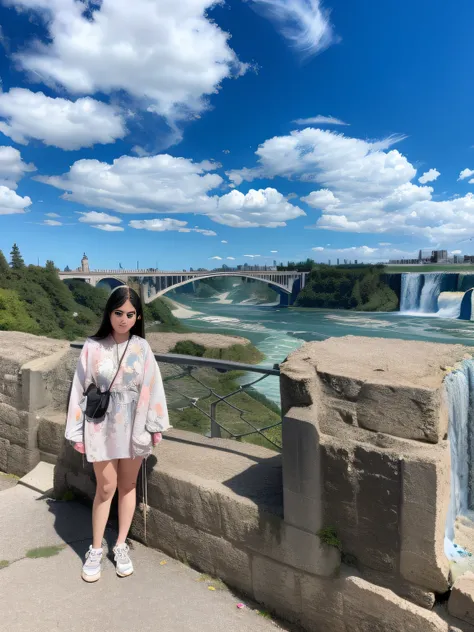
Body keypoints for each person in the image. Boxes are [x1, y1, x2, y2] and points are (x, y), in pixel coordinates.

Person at [65, 285, 171, 583]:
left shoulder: (142, 347)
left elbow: (153, 388)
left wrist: (155, 425)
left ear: (137, 317)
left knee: (127, 486)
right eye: (118, 313)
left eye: (130, 314)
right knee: (106, 487)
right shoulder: (93, 347)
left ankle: (121, 544)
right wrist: (75, 432)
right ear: (109, 313)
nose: (124, 319)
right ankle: (96, 548)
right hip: (101, 425)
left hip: (134, 423)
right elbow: (78, 390)